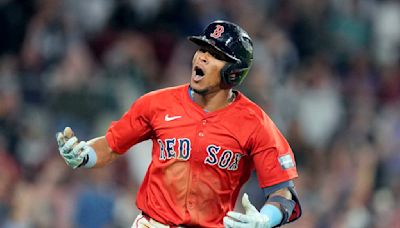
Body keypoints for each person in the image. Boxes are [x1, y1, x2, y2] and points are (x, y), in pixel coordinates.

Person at [56, 20, 302, 228]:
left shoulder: (255, 122)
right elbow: (111, 145)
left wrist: (265, 220)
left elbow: (284, 193)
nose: (203, 57)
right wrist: (85, 154)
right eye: (202, 49)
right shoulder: (156, 103)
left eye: (215, 55)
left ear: (234, 72)